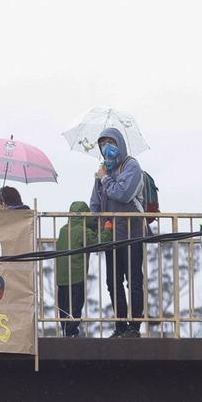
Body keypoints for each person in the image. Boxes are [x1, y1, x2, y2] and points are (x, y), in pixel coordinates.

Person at [88, 126, 148, 337]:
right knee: (113, 282)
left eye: (111, 143)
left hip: (132, 232)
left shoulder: (131, 166)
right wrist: (96, 227)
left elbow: (123, 193)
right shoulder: (103, 170)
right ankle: (120, 325)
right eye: (103, 145)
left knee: (134, 280)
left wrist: (105, 179)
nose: (107, 148)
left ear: (119, 144)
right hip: (110, 234)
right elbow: (95, 202)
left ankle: (135, 326)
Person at [51, 201, 104, 337]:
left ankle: (65, 331)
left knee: (63, 306)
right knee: (75, 307)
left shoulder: (63, 230)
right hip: (76, 276)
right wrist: (108, 230)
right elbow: (98, 243)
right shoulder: (83, 231)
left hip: (61, 278)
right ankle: (72, 332)